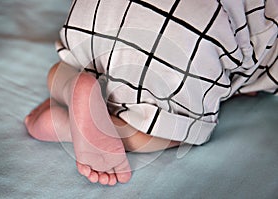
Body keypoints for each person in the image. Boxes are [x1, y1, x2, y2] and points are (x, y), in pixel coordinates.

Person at [25, 0, 277, 186]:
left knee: (72, 63)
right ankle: (72, 126)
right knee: (172, 130)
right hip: (188, 28)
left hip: (101, 9)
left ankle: (69, 85)